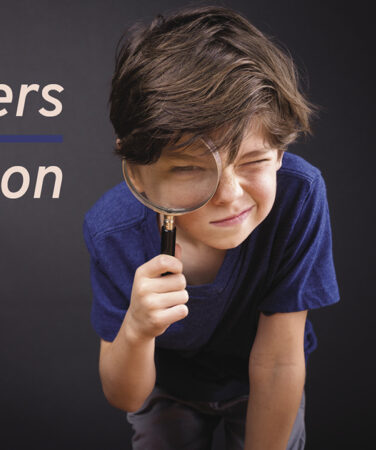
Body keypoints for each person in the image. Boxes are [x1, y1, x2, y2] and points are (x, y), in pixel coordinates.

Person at [82, 6, 340, 450]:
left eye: (254, 161)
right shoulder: (113, 230)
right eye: (188, 170)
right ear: (138, 173)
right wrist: (137, 329)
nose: (228, 194)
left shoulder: (298, 196)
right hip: (166, 386)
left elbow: (278, 362)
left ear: (280, 153)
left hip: (265, 377)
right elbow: (126, 394)